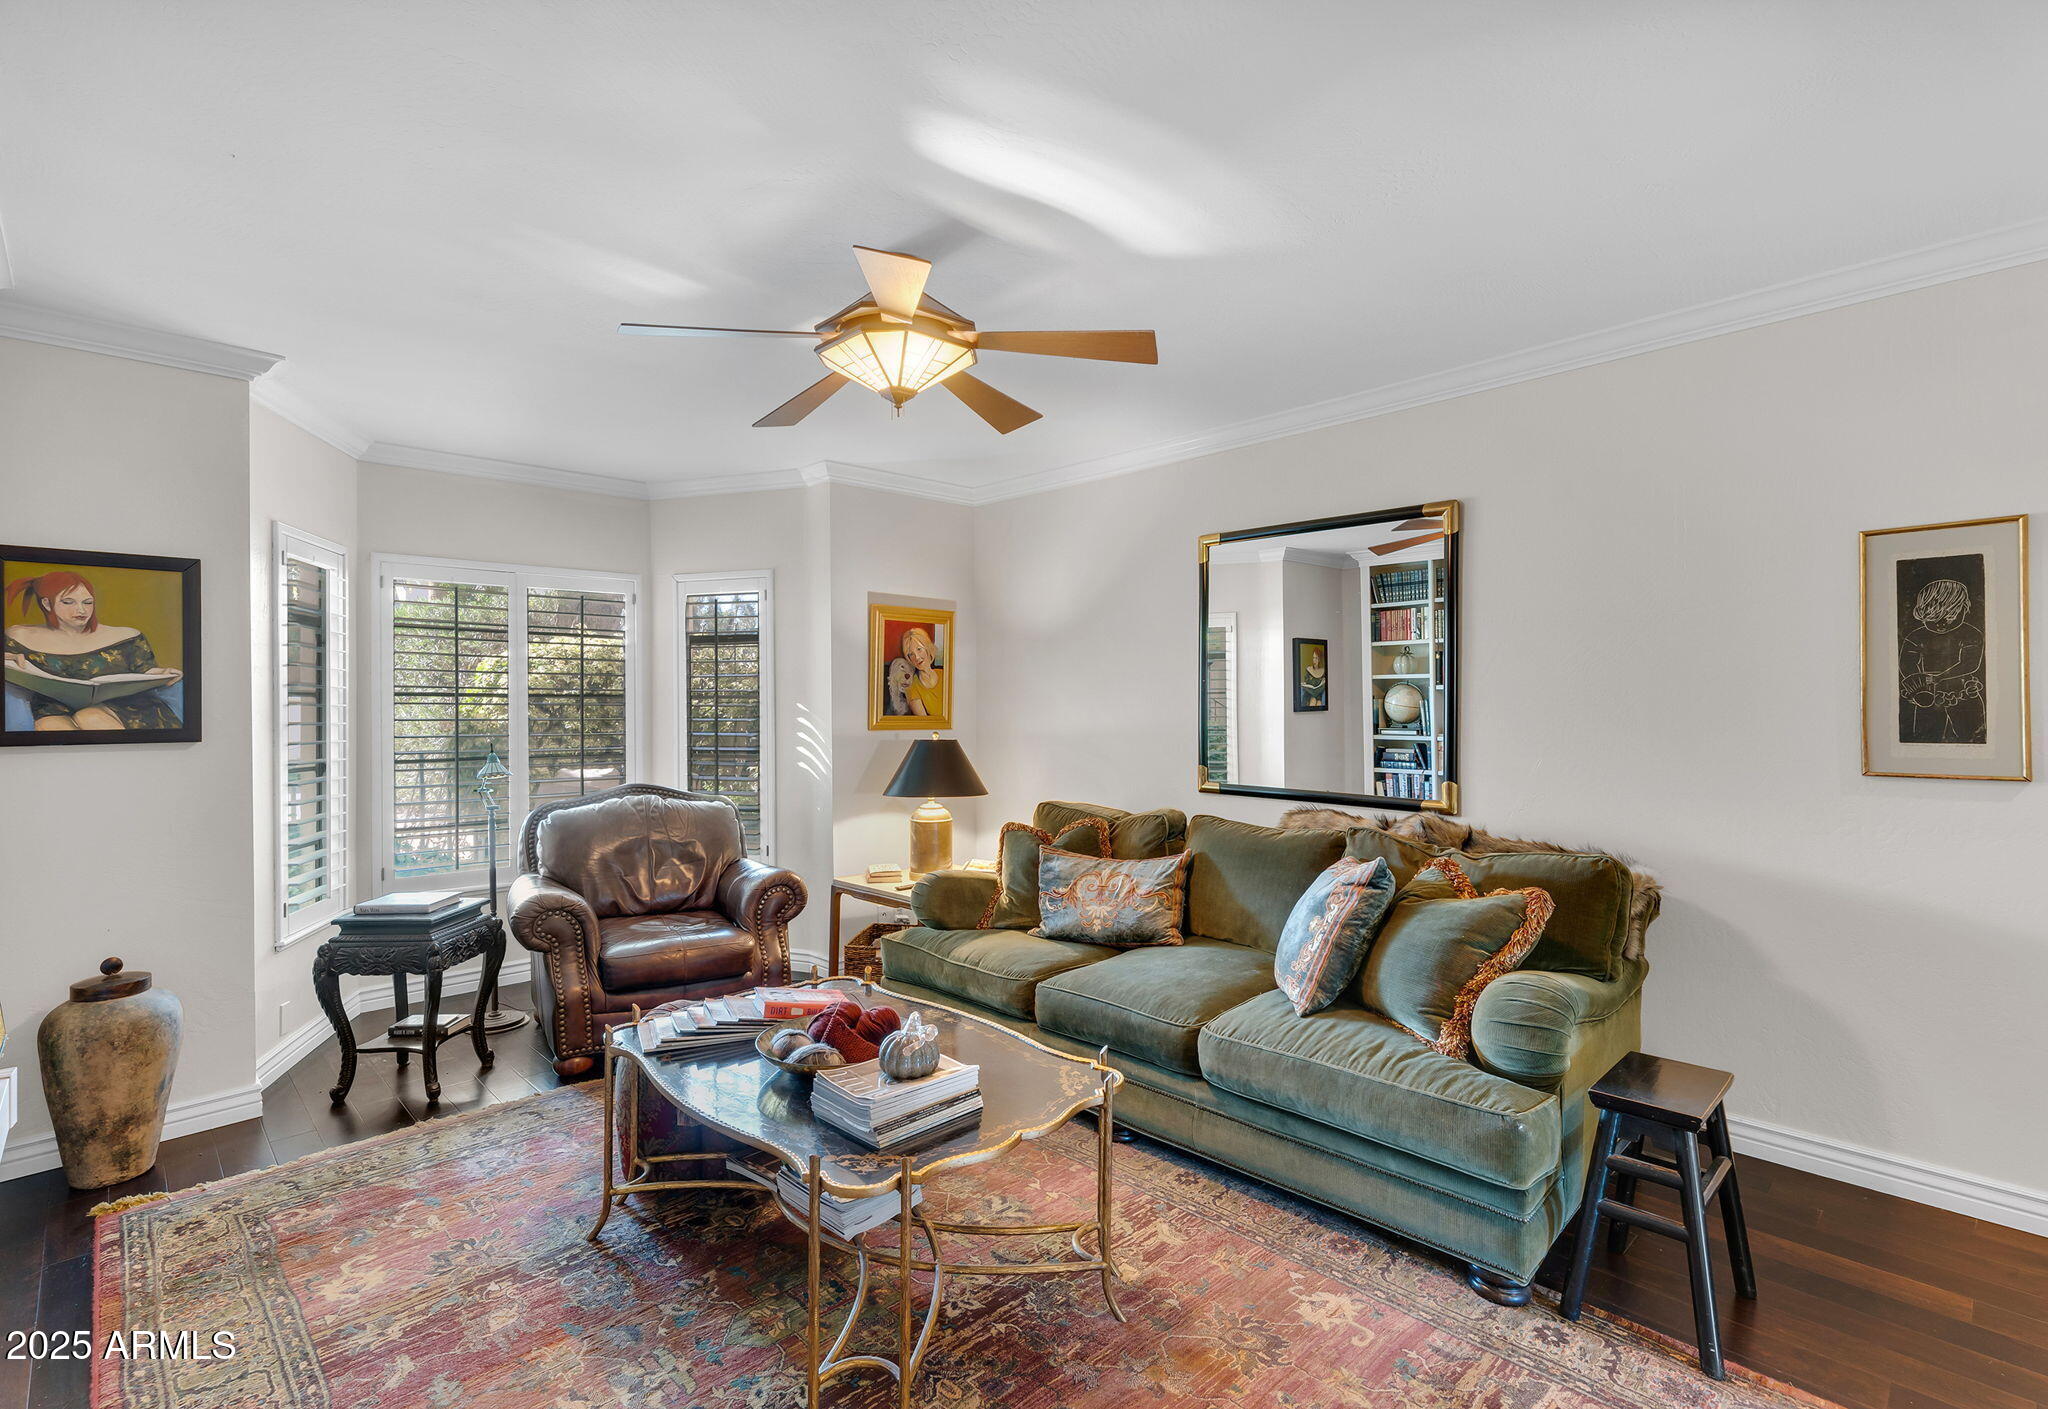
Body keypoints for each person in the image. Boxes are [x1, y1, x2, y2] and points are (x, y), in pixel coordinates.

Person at [4, 570, 180, 730]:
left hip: (121, 706)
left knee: (90, 717)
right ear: (47, 604)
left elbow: (145, 670)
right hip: (53, 708)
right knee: (52, 726)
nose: (81, 610)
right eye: (68, 602)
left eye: (88, 602)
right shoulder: (20, 636)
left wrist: (162, 673)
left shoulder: (127, 636)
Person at [1898, 577, 1985, 744]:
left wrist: (1938, 678)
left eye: (1950, 616)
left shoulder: (1971, 634)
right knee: (1926, 739)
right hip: (1927, 697)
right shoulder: (1916, 636)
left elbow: (1970, 664)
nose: (1940, 623)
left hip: (1963, 694)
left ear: (1964, 608)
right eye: (1932, 617)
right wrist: (1914, 679)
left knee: (1973, 736)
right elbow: (1906, 663)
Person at [885, 625, 945, 717]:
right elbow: (924, 722)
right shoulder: (912, 687)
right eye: (911, 654)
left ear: (927, 648)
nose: (916, 657)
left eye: (919, 649)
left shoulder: (945, 675)